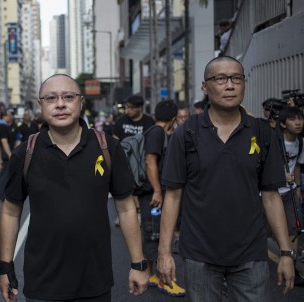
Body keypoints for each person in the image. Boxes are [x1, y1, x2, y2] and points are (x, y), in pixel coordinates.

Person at [0, 74, 149, 301]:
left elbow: (127, 208)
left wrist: (138, 263)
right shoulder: (25, 153)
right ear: (40, 105)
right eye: (51, 98)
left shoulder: (108, 147)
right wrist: (5, 267)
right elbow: (10, 211)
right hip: (42, 283)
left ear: (80, 102)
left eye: (68, 97)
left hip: (95, 281)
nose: (60, 104)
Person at [157, 55, 295, 301]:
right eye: (220, 79)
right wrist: (164, 253)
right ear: (205, 86)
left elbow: (272, 197)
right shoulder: (186, 134)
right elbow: (173, 196)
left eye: (236, 78)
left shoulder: (262, 132)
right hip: (199, 254)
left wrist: (285, 253)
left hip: (251, 253)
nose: (230, 85)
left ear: (244, 83)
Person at [137, 100, 186, 297]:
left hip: (151, 194)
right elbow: (150, 162)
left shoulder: (154, 132)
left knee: (152, 232)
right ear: (173, 118)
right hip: (152, 195)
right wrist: (157, 190)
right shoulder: (157, 133)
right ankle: (161, 278)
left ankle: (152, 275)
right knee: (154, 233)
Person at [113, 95, 155, 226]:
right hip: (124, 159)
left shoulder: (149, 122)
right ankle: (125, 214)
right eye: (126, 107)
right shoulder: (121, 121)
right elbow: (115, 139)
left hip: (141, 160)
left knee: (140, 187)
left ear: (139, 108)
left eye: (131, 108)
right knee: (125, 188)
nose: (128, 110)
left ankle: (138, 213)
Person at [276, 107, 304, 286]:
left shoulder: (300, 142)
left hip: (289, 191)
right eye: (293, 119)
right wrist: (279, 175)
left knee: (294, 229)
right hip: (268, 193)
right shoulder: (274, 141)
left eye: (300, 119)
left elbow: (297, 166)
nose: (298, 122)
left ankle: (292, 269)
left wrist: (298, 188)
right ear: (283, 124)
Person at [0, 109, 21, 201]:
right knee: (5, 175)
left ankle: (1, 193)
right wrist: (10, 155)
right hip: (5, 155)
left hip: (5, 155)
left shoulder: (4, 126)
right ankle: (0, 194)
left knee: (4, 174)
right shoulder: (2, 126)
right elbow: (4, 141)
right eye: (9, 115)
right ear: (4, 116)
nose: (10, 117)